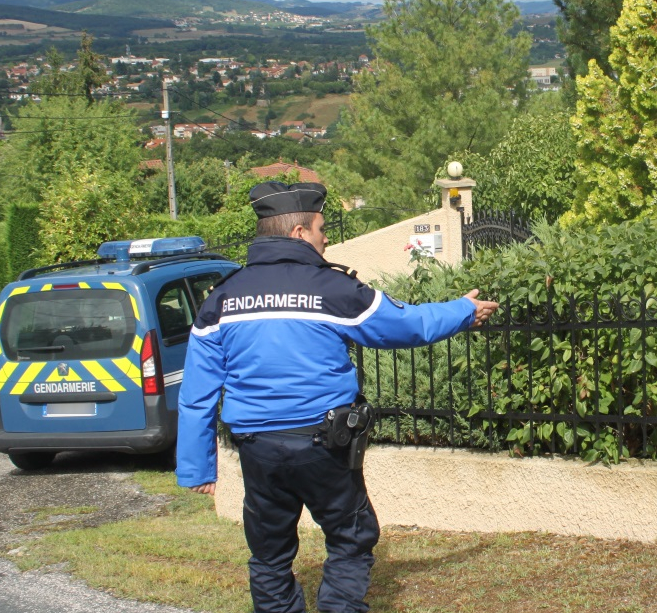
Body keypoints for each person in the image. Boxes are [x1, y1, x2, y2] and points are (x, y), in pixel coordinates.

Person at [175, 180, 498, 613]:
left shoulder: (222, 297)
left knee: (269, 554)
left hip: (257, 449)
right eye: (321, 228)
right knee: (351, 538)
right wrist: (461, 310)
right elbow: (404, 324)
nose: (326, 237)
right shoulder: (331, 288)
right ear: (298, 233)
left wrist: (197, 468)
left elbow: (196, 395)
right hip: (323, 445)